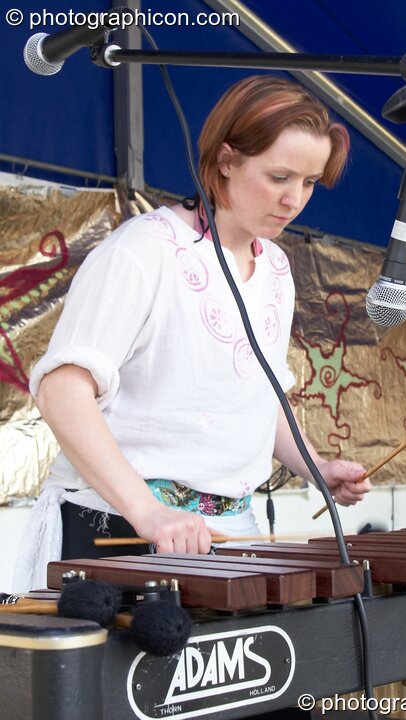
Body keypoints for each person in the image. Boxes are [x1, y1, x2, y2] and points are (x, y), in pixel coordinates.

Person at [15, 75, 371, 594]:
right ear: (226, 160)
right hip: (119, 530)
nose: (295, 199)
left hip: (232, 534)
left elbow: (259, 395)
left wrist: (315, 466)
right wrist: (148, 512)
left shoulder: (275, 267)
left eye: (310, 182)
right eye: (278, 176)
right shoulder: (145, 249)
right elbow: (62, 389)